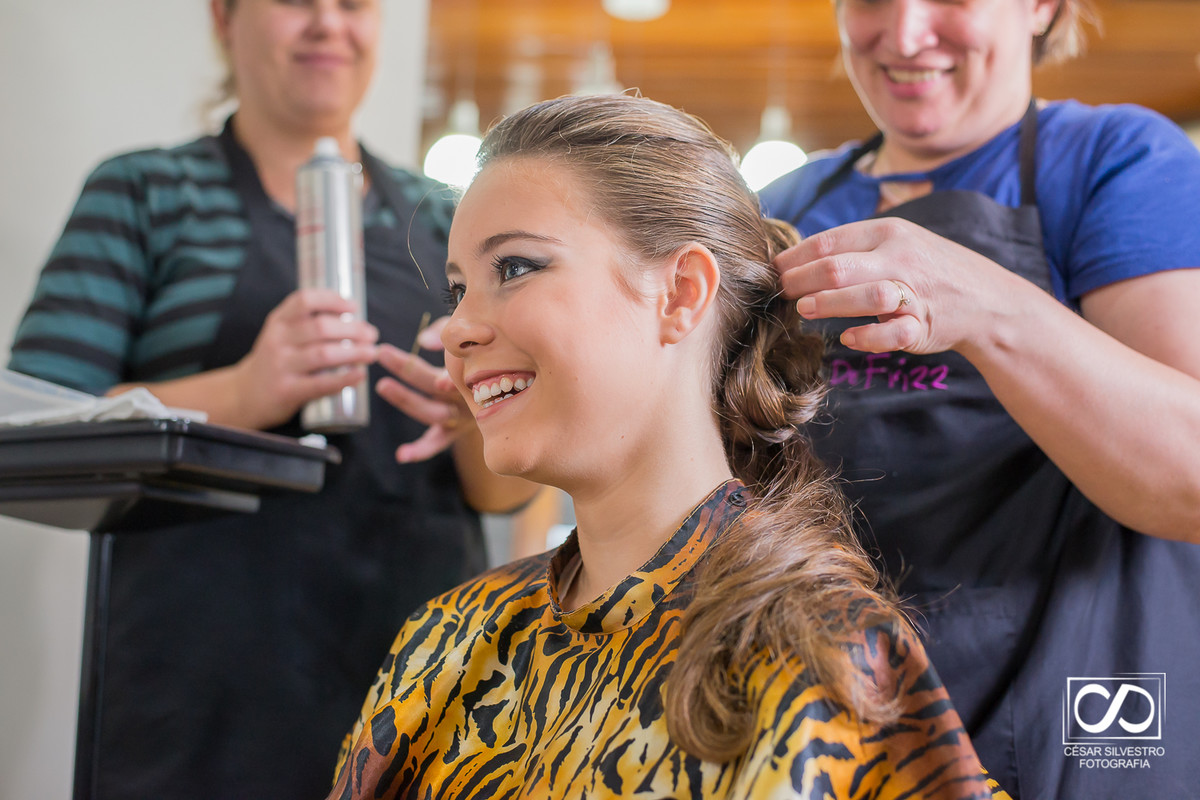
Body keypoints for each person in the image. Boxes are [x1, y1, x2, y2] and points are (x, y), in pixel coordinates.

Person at [325, 93, 1010, 800]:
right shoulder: (449, 639)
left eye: (516, 268)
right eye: (457, 290)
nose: (456, 329)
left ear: (681, 293)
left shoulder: (818, 654)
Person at [7, 1, 537, 797]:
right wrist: (241, 391)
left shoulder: (447, 221)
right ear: (225, 18)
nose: (328, 24)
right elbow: (35, 425)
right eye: (295, 0)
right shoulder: (145, 192)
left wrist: (472, 422)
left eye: (353, 4)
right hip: (192, 705)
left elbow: (504, 490)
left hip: (415, 692)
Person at [758, 1, 1200, 797]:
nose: (904, 34)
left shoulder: (1116, 160)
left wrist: (988, 308)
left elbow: (1190, 477)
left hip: (1075, 711)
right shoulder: (784, 206)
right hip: (825, 715)